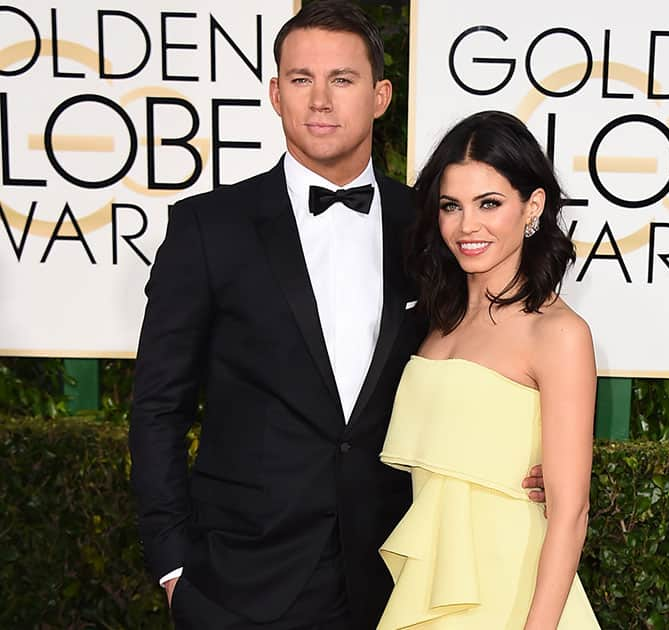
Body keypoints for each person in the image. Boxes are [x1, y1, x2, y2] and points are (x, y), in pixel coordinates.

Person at [128, 3, 544, 628]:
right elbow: (159, 406)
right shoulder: (208, 229)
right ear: (275, 93)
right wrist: (172, 566)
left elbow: (495, 348)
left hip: (398, 570)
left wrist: (524, 458)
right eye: (301, 79)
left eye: (342, 80)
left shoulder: (433, 227)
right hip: (241, 577)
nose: (320, 100)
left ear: (380, 96)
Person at [376, 110, 601, 629]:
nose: (467, 226)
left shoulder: (558, 333)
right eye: (451, 206)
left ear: (533, 207)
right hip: (429, 592)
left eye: (490, 204)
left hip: (517, 599)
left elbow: (570, 514)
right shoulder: (434, 321)